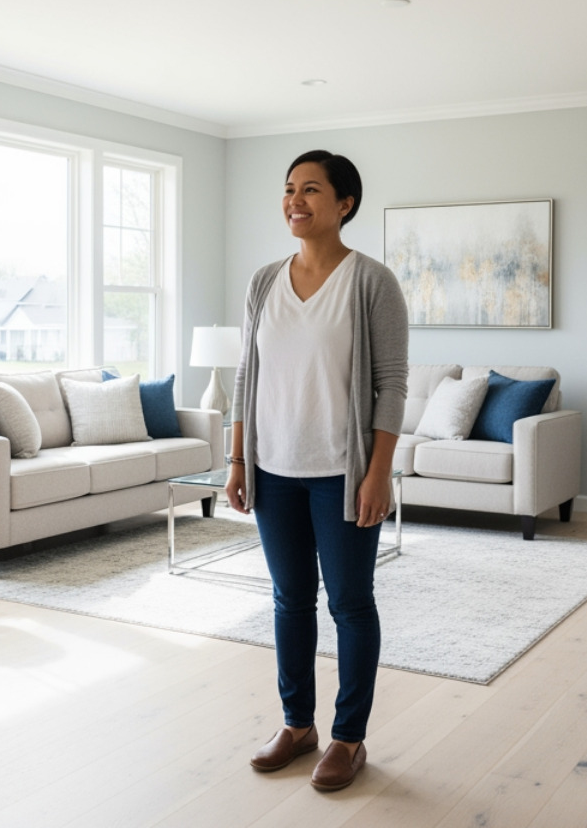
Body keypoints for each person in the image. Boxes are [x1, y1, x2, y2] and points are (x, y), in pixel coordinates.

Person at [226, 149, 408, 792]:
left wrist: (378, 472)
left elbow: (391, 385)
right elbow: (247, 375)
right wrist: (236, 458)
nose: (294, 201)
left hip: (341, 471)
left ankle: (348, 738)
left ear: (344, 204)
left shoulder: (371, 282)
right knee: (288, 600)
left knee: (351, 604)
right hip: (271, 467)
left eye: (310, 190)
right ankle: (297, 725)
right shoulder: (263, 281)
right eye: (288, 190)